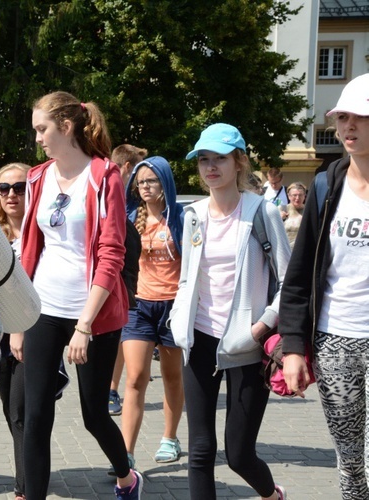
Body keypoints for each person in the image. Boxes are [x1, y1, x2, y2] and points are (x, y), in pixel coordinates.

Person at [17, 91, 140, 499]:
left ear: (66, 127)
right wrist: (18, 320)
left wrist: (84, 326)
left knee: (93, 415)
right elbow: (28, 248)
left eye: (42, 129)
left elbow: (111, 254)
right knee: (34, 415)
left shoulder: (105, 177)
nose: (37, 138)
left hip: (93, 314)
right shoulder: (37, 178)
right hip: (42, 308)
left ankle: (126, 476)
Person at [169, 123, 290, 500]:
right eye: (203, 159)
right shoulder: (192, 214)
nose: (210, 167)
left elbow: (290, 282)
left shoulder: (262, 212)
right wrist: (178, 319)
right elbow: (188, 277)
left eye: (219, 158)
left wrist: (260, 328)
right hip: (199, 340)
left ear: (238, 162)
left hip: (247, 345)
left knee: (238, 454)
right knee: (200, 451)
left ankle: (271, 494)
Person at [281, 72, 369, 499]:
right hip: (336, 340)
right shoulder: (325, 184)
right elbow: (299, 275)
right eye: (342, 118)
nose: (348, 127)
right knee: (351, 461)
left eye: (360, 118)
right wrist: (294, 348)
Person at [122, 156, 184, 467]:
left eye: (152, 181)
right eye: (141, 182)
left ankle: (170, 438)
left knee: (172, 376)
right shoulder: (131, 216)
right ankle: (125, 454)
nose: (145, 187)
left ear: (165, 183)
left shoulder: (182, 217)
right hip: (138, 306)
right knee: (135, 378)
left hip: (174, 307)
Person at [0, 162, 30, 499]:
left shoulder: (44, 234)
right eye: (5, 188)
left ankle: (24, 489)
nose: (12, 194)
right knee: (10, 411)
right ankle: (30, 473)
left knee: (21, 413)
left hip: (32, 333)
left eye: (20, 187)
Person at [107, 144, 148, 416]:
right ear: (127, 167)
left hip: (138, 281)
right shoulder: (107, 192)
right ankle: (108, 388)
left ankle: (111, 389)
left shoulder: (136, 201)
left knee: (122, 336)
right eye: (136, 171)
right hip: (112, 277)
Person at [283, 181, 306, 248]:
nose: (297, 198)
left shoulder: (309, 211)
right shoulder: (281, 209)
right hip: (285, 251)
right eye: (294, 195)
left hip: (302, 251)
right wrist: (279, 219)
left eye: (300, 195)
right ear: (289, 196)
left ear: (304, 196)